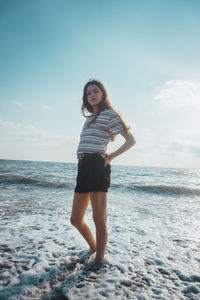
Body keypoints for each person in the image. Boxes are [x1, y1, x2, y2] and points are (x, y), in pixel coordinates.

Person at [70, 79, 136, 266]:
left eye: (95, 91)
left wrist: (111, 156)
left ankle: (98, 261)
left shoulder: (110, 114)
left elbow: (131, 141)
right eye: (88, 92)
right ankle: (94, 248)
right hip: (83, 166)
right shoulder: (90, 119)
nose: (91, 95)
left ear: (103, 93)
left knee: (99, 217)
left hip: (98, 165)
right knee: (75, 219)